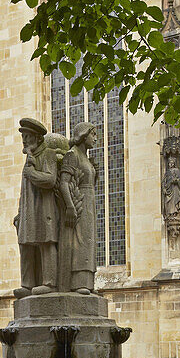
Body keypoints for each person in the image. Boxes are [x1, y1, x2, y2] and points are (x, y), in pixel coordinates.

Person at [14, 118, 60, 296]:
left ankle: (49, 282)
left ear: (38, 138)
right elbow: (24, 191)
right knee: (25, 245)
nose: (24, 140)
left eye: (28, 136)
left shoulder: (47, 154)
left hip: (43, 208)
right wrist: (19, 213)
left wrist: (32, 173)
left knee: (45, 242)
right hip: (28, 210)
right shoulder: (29, 158)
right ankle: (27, 285)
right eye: (23, 136)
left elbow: (50, 179)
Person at [58, 122, 99, 293]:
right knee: (80, 240)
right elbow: (64, 183)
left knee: (89, 240)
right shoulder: (72, 155)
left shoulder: (86, 158)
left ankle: (88, 283)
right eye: (93, 134)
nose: (95, 138)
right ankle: (77, 283)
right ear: (83, 135)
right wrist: (70, 206)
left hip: (90, 201)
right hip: (79, 201)